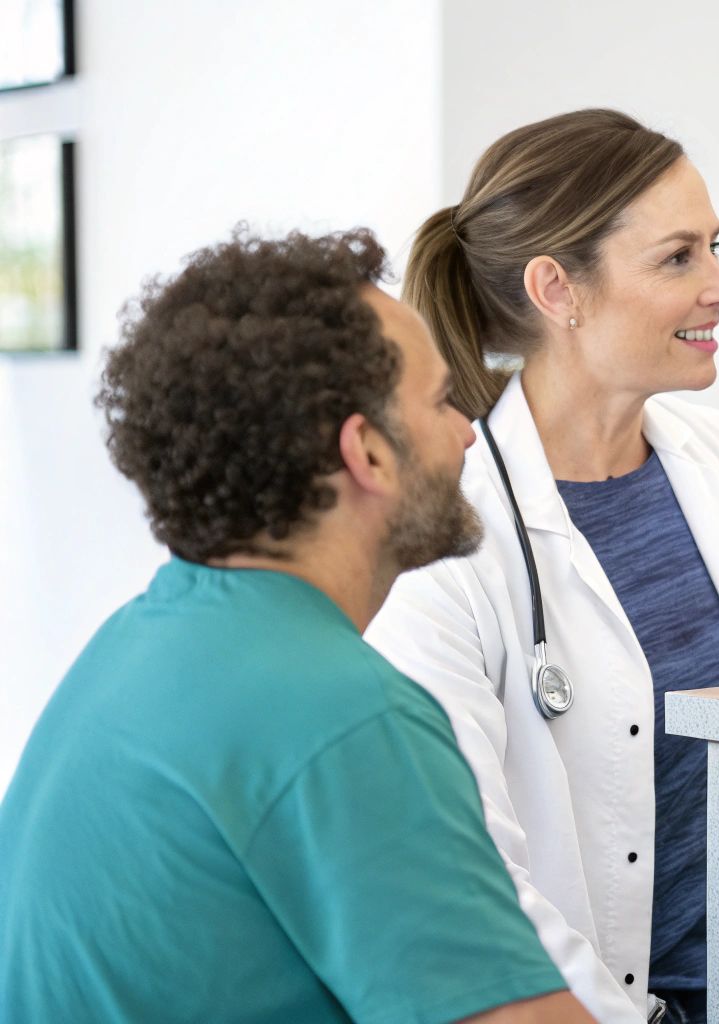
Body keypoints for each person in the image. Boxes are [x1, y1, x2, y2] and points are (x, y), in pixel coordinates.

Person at [0, 229, 594, 1024]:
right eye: (442, 401)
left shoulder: (133, 645)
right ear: (368, 454)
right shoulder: (344, 714)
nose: (466, 431)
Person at [365, 109, 719, 1023]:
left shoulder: (714, 457)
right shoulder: (446, 535)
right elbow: (469, 869)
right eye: (678, 258)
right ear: (556, 289)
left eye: (716, 248)